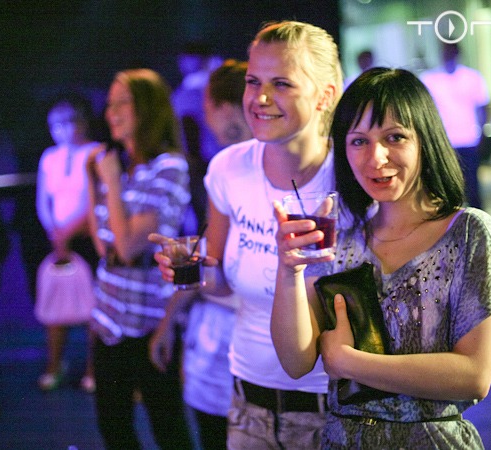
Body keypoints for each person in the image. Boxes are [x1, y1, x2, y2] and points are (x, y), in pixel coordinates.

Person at [271, 67, 491, 448]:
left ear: (425, 140)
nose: (376, 158)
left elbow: (474, 376)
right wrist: (288, 271)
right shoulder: (339, 240)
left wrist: (350, 363)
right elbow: (295, 363)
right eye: (358, 141)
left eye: (395, 137)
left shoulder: (469, 233)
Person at [151, 20, 343, 449]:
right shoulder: (229, 169)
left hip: (333, 412)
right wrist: (190, 268)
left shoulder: (353, 179)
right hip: (247, 407)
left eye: (281, 83)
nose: (260, 98)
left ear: (324, 95)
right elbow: (219, 278)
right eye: (253, 81)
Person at [86, 68, 193, 449]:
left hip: (149, 320)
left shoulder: (168, 167)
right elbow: (104, 246)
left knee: (168, 430)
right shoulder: (121, 166)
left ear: (148, 109)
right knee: (113, 427)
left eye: (122, 103)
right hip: (107, 316)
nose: (111, 112)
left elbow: (130, 246)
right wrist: (93, 182)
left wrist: (110, 183)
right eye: (109, 104)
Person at [149, 59, 252, 450]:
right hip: (222, 332)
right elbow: (212, 261)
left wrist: (169, 319)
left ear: (220, 107)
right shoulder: (225, 168)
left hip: (243, 341)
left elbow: (216, 269)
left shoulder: (237, 169)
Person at [35, 94, 100, 392]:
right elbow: (43, 201)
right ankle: (54, 365)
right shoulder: (49, 157)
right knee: (55, 304)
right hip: (57, 241)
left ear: (82, 123)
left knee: (93, 307)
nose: (60, 131)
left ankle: (94, 369)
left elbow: (96, 200)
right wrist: (56, 232)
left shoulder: (96, 152)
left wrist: (72, 231)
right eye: (55, 125)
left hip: (87, 239)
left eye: (67, 123)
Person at [420, 43, 489, 208]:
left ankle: (476, 221)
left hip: (469, 141)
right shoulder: (430, 79)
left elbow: (482, 109)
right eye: (445, 51)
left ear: (458, 52)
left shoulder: (472, 77)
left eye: (451, 51)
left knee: (472, 189)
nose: (448, 54)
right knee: (446, 189)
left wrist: (483, 135)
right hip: (444, 143)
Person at [172, 41, 224, 235]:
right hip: (206, 159)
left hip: (199, 161)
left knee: (205, 214)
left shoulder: (189, 92)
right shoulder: (205, 88)